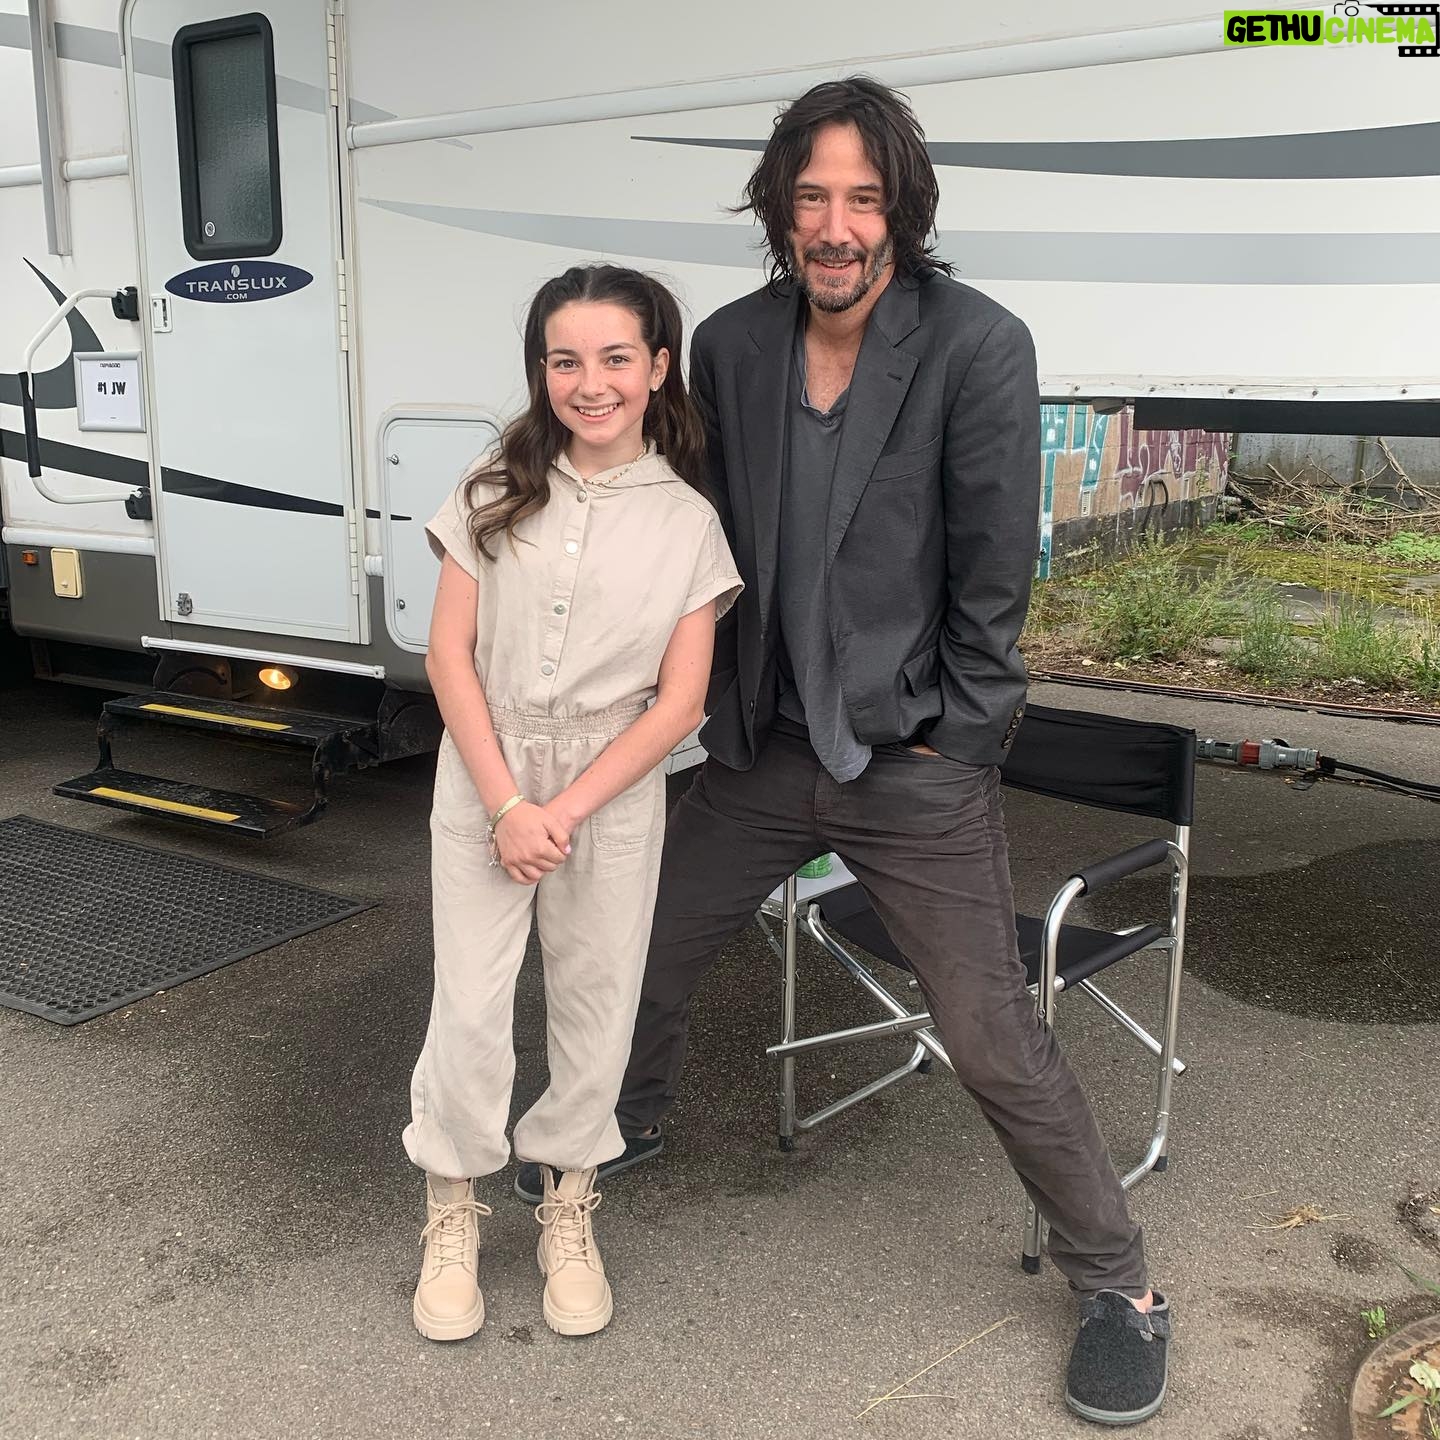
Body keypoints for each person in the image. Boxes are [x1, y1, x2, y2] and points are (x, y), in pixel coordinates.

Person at [515, 79, 1171, 1423]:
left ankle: (1121, 1286)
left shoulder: (976, 344)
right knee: (635, 949)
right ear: (778, 207)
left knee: (990, 1033)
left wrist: (956, 744)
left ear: (901, 211)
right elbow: (685, 525)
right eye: (811, 196)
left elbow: (994, 579)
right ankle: (624, 1117)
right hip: (760, 750)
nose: (835, 224)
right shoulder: (734, 345)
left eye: (863, 198)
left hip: (910, 762)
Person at [406, 264, 741, 1342]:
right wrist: (509, 802)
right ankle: (451, 1206)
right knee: (469, 1005)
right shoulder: (492, 486)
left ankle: (569, 1204)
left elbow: (680, 702)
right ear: (540, 370)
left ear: (658, 367)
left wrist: (564, 809)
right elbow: (448, 655)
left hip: (614, 786)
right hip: (486, 772)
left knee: (598, 1006)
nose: (590, 383)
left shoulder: (688, 522)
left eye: (614, 358)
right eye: (564, 360)